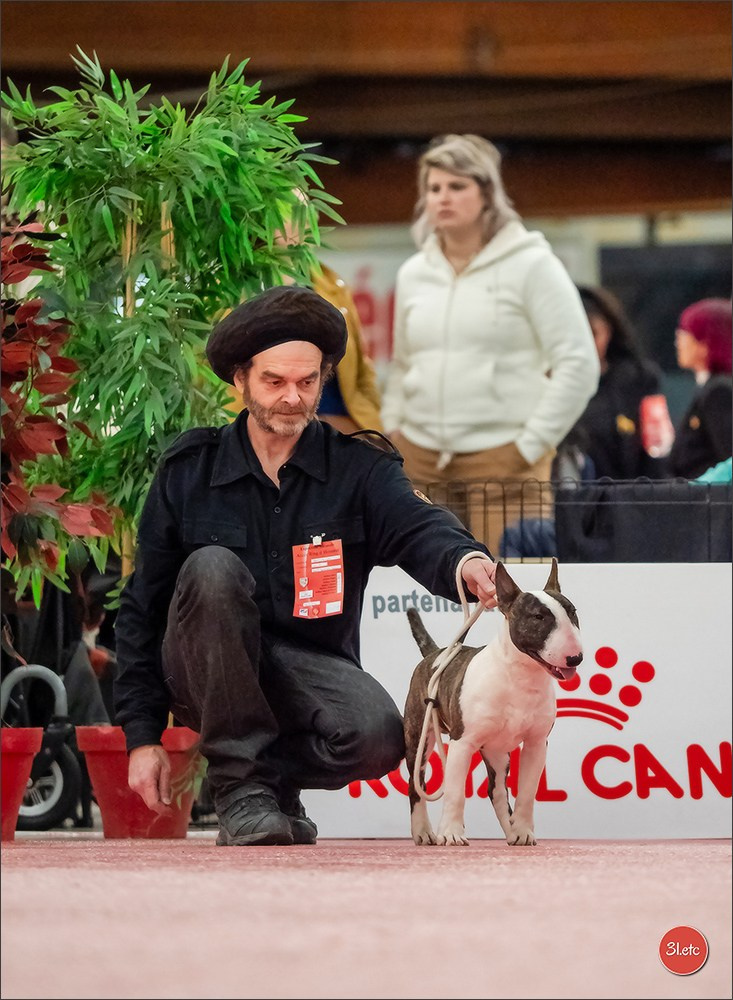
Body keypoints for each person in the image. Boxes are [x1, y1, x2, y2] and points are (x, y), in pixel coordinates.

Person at [113, 284, 498, 847]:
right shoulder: (190, 470)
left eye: (307, 381)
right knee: (213, 568)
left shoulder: (359, 468)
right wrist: (142, 734)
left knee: (378, 737)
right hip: (202, 668)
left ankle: (271, 784)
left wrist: (463, 560)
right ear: (240, 380)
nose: (292, 397)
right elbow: (141, 606)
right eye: (274, 381)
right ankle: (241, 789)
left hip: (306, 664)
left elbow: (419, 526)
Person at [381, 133, 600, 556]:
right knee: (416, 596)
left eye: (457, 186)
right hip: (419, 460)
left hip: (507, 462)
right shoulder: (413, 273)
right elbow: (404, 364)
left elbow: (579, 363)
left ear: (488, 193)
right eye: (433, 188)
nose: (443, 197)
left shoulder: (533, 264)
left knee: (516, 601)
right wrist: (395, 430)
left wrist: (530, 444)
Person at [555, 285, 673, 481]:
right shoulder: (552, 382)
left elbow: (658, 447)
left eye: (593, 333)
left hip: (631, 498)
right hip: (572, 503)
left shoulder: (641, 378)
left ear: (609, 331)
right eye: (577, 334)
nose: (585, 343)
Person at [668, 297, 732, 479]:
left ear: (706, 342)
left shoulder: (719, 392)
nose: (678, 341)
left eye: (685, 333)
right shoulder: (708, 388)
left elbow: (728, 460)